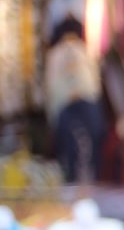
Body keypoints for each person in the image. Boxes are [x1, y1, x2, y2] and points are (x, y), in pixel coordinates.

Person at [43, 18, 105, 185]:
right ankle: (88, 181)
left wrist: (52, 117)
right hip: (83, 102)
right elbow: (95, 79)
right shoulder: (84, 50)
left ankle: (75, 181)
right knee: (89, 149)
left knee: (72, 150)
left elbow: (51, 86)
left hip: (66, 104)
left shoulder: (55, 54)